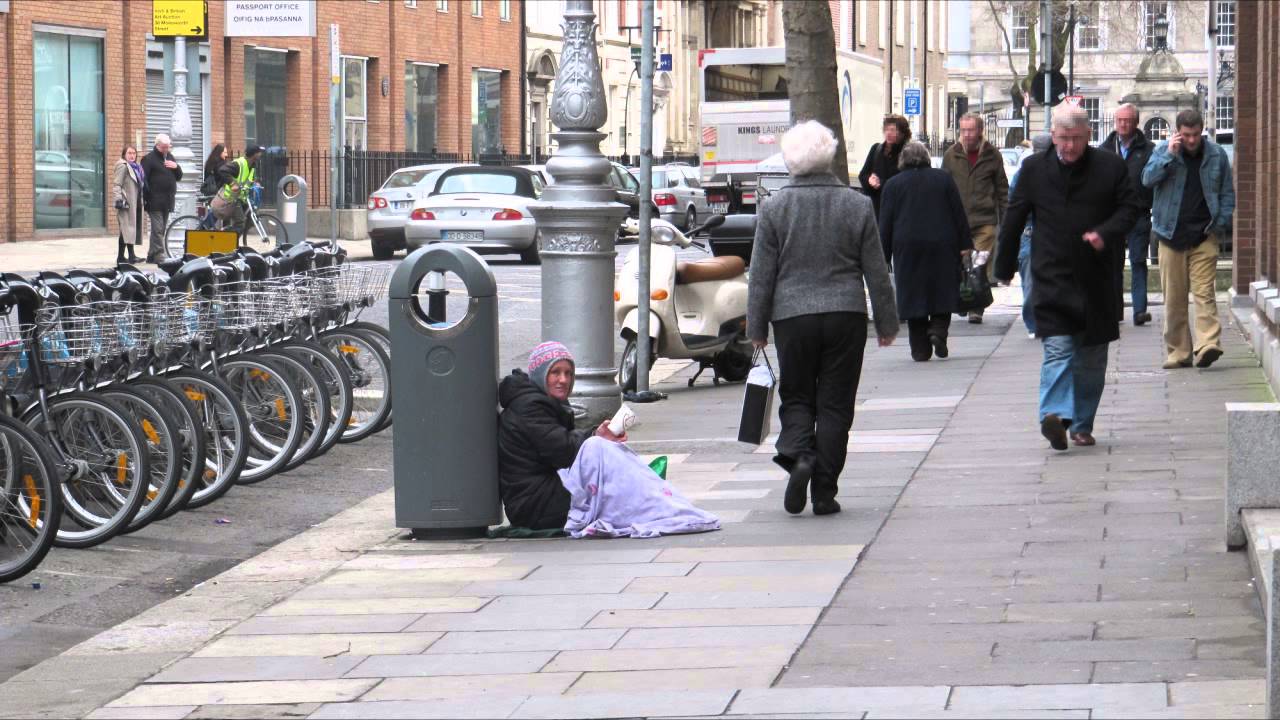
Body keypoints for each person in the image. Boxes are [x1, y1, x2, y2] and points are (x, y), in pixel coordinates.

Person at [747, 120, 899, 517]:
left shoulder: (775, 208)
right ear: (829, 155)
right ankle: (825, 492)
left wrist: (756, 328)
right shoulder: (857, 204)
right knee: (836, 404)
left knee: (797, 394)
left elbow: (761, 275)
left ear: (790, 159)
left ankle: (800, 455)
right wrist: (886, 323)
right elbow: (876, 270)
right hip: (845, 314)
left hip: (792, 317)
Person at [995, 105, 1139, 451]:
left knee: (1092, 357)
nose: (1069, 146)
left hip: (1097, 278)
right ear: (1053, 136)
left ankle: (1082, 424)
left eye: (1076, 139)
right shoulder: (1034, 169)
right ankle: (1056, 416)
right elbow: (1014, 217)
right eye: (1063, 139)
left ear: (1088, 135)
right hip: (1052, 276)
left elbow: (1131, 208)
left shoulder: (1110, 167)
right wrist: (1003, 266)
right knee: (1057, 349)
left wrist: (1105, 233)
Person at [497, 342, 720, 537]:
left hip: (544, 493)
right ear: (540, 375)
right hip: (534, 506)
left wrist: (598, 436)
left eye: (568, 373)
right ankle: (650, 493)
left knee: (604, 455)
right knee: (598, 451)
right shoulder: (528, 407)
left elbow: (563, 446)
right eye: (555, 373)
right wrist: (596, 436)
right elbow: (563, 450)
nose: (563, 380)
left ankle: (649, 491)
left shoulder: (538, 401)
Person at [1142, 109, 1236, 369]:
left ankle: (1207, 345)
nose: (1192, 140)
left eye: (1195, 134)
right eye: (1186, 135)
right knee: (1174, 299)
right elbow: (1147, 180)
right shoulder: (1163, 151)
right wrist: (1169, 157)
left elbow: (1227, 193)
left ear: (1202, 130)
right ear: (1178, 133)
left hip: (1204, 235)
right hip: (1170, 235)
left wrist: (1219, 224)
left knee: (1205, 294)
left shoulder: (1216, 155)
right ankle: (1179, 352)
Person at [878, 141, 971, 361]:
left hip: (907, 246)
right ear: (927, 158)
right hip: (943, 243)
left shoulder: (892, 185)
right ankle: (938, 329)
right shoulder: (943, 178)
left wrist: (883, 254)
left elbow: (886, 223)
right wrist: (965, 244)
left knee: (913, 293)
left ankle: (920, 348)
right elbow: (958, 213)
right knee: (943, 288)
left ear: (903, 160)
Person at [943, 113, 1009, 324]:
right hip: (958, 222)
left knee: (979, 266)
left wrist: (1006, 220)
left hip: (984, 221)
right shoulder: (951, 155)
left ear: (980, 131)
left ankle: (976, 308)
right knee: (962, 264)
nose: (967, 134)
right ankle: (965, 299)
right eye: (963, 130)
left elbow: (1002, 190)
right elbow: (943, 188)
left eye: (971, 130)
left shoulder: (992, 155)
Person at [1100, 104, 1156, 327]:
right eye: (1120, 120)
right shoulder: (1104, 149)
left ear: (1136, 122)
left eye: (1128, 120)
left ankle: (1140, 311)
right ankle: (1115, 311)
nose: (1123, 124)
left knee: (1138, 261)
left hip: (1138, 213)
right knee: (1114, 264)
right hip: (1112, 215)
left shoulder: (1148, 149)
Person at [1011, 133, 1054, 338]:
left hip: (1046, 232)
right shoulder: (1024, 173)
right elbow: (1015, 204)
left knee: (1037, 282)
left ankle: (1042, 321)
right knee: (1031, 282)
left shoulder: (1058, 171)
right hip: (1032, 232)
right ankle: (1034, 323)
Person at [857, 114, 911, 217]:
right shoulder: (876, 149)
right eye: (886, 129)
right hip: (876, 210)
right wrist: (870, 180)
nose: (888, 133)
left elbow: (906, 182)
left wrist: (881, 183)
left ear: (902, 133)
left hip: (897, 211)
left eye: (893, 130)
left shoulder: (907, 153)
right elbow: (862, 175)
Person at [141, 134, 182, 264]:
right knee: (158, 229)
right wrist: (147, 197)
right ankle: (159, 255)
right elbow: (143, 180)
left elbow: (179, 176)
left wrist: (176, 167)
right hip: (154, 200)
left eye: (168, 147)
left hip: (167, 200)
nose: (166, 149)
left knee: (160, 229)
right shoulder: (148, 159)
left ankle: (151, 255)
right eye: (164, 147)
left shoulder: (170, 157)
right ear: (157, 145)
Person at [212, 146, 264, 227]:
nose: (261, 154)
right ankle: (231, 234)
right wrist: (232, 184)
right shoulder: (239, 164)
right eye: (259, 152)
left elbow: (248, 179)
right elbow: (223, 170)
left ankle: (235, 232)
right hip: (231, 198)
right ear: (254, 154)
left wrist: (255, 183)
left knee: (250, 219)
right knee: (240, 223)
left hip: (241, 197)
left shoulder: (253, 165)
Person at [111, 145, 145, 264]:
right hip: (126, 203)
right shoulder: (123, 166)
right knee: (126, 229)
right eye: (129, 153)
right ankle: (125, 257)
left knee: (129, 229)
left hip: (135, 202)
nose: (132, 155)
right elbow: (117, 184)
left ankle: (128, 256)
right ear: (124, 155)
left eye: (134, 153)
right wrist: (119, 199)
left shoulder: (135, 167)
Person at [198, 143, 229, 230]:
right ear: (219, 153)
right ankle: (204, 229)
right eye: (225, 152)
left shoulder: (210, 163)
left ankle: (206, 228)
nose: (226, 155)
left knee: (216, 214)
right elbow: (224, 178)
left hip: (211, 192)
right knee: (220, 213)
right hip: (218, 193)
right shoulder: (221, 164)